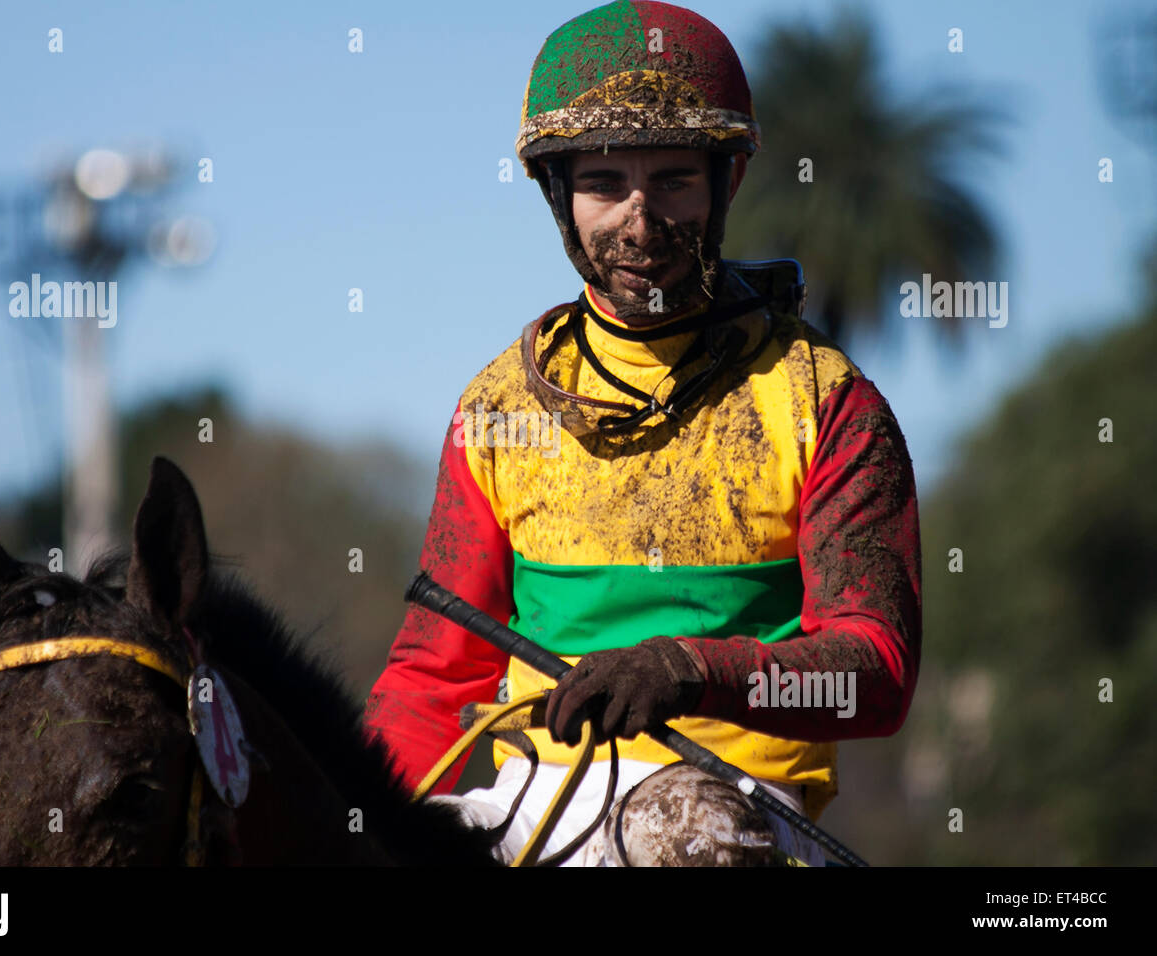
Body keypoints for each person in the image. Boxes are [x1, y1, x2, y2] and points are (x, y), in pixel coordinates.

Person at [363, 0, 921, 866]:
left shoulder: (830, 402)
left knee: (685, 834)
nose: (638, 219)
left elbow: (877, 677)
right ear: (558, 194)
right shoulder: (500, 409)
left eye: (672, 180)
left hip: (732, 815)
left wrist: (690, 671)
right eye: (602, 184)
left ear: (727, 180)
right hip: (529, 805)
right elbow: (434, 678)